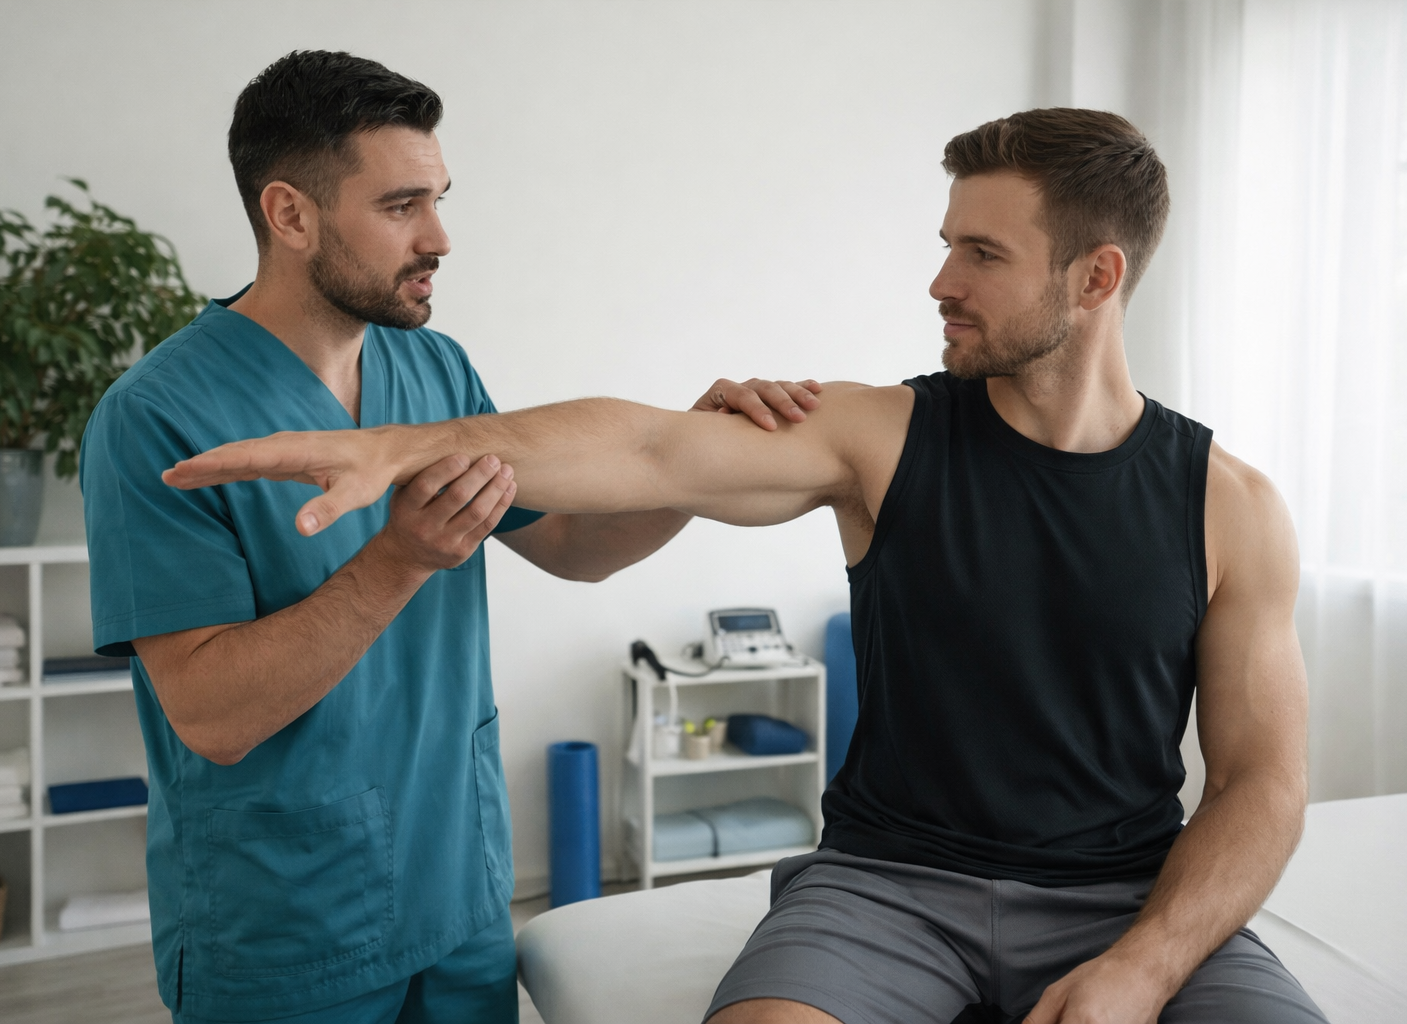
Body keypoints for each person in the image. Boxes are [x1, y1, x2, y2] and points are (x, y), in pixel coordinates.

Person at [165, 108, 1329, 1024]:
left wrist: (1146, 965)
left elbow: (1262, 784)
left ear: (1096, 277)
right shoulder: (882, 436)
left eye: (981, 253)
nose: (940, 281)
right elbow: (647, 447)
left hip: (1125, 896)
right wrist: (401, 447)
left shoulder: (1232, 508)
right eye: (946, 246)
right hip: (888, 886)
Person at [80, 50, 816, 1024]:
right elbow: (213, 716)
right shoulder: (156, 418)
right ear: (290, 214)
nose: (439, 237)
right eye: (401, 207)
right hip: (286, 925)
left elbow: (570, 545)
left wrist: (689, 466)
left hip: (458, 893)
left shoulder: (434, 370)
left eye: (438, 199)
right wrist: (399, 560)